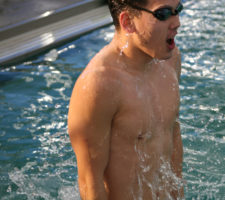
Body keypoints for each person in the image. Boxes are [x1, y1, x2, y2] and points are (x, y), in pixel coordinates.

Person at [68, 0, 184, 199]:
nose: (177, 22)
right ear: (128, 21)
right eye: (163, 14)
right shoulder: (99, 85)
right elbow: (90, 184)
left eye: (177, 10)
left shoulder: (170, 61)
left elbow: (172, 134)